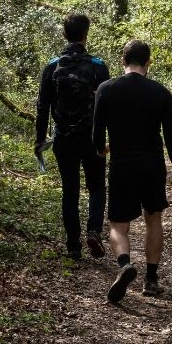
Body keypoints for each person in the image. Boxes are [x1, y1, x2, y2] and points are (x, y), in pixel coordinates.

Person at [92, 40, 172, 303]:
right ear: (148, 62)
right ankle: (151, 279)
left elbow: (96, 134)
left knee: (118, 225)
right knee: (154, 220)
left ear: (123, 61)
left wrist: (102, 149)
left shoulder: (106, 89)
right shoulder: (160, 93)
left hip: (122, 165)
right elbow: (171, 140)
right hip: (152, 165)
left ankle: (125, 264)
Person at [36, 13, 110, 260]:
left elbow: (42, 107)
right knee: (97, 186)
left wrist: (40, 139)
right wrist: (108, 137)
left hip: (63, 137)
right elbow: (106, 106)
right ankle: (94, 231)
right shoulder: (98, 66)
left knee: (70, 189)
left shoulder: (52, 66)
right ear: (86, 34)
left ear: (64, 34)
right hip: (92, 138)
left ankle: (73, 245)